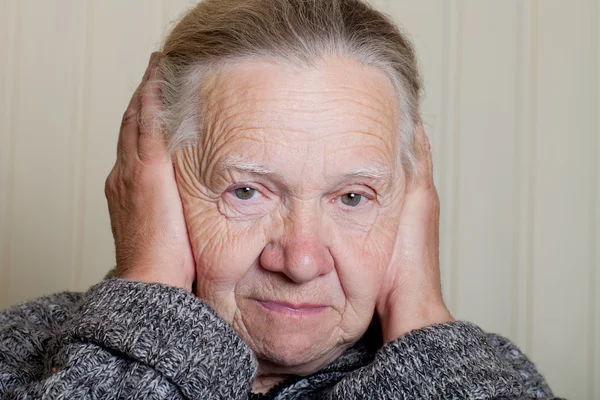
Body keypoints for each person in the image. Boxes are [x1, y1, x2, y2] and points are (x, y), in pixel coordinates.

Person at [0, 0, 557, 398]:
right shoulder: (17, 350)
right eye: (246, 190)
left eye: (353, 198)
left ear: (411, 207)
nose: (301, 260)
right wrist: (149, 288)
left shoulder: (490, 378)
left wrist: (423, 320)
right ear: (152, 190)